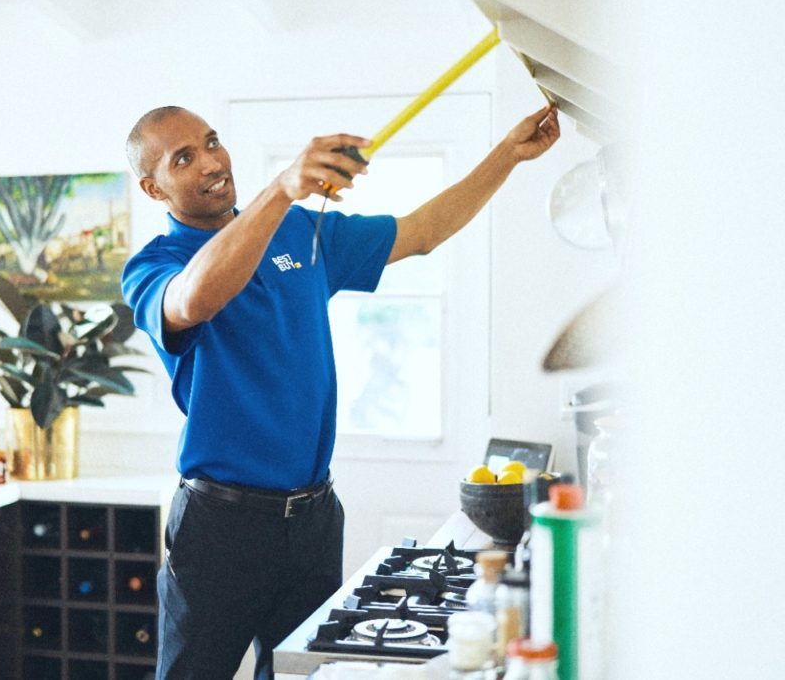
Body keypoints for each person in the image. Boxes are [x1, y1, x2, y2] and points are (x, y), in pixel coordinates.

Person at [120, 103, 560, 679]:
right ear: (155, 189)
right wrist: (282, 189)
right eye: (184, 158)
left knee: (305, 676)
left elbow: (421, 233)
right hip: (222, 526)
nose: (210, 162)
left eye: (211, 142)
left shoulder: (302, 230)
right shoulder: (154, 265)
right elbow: (193, 300)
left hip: (313, 518)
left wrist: (508, 155)